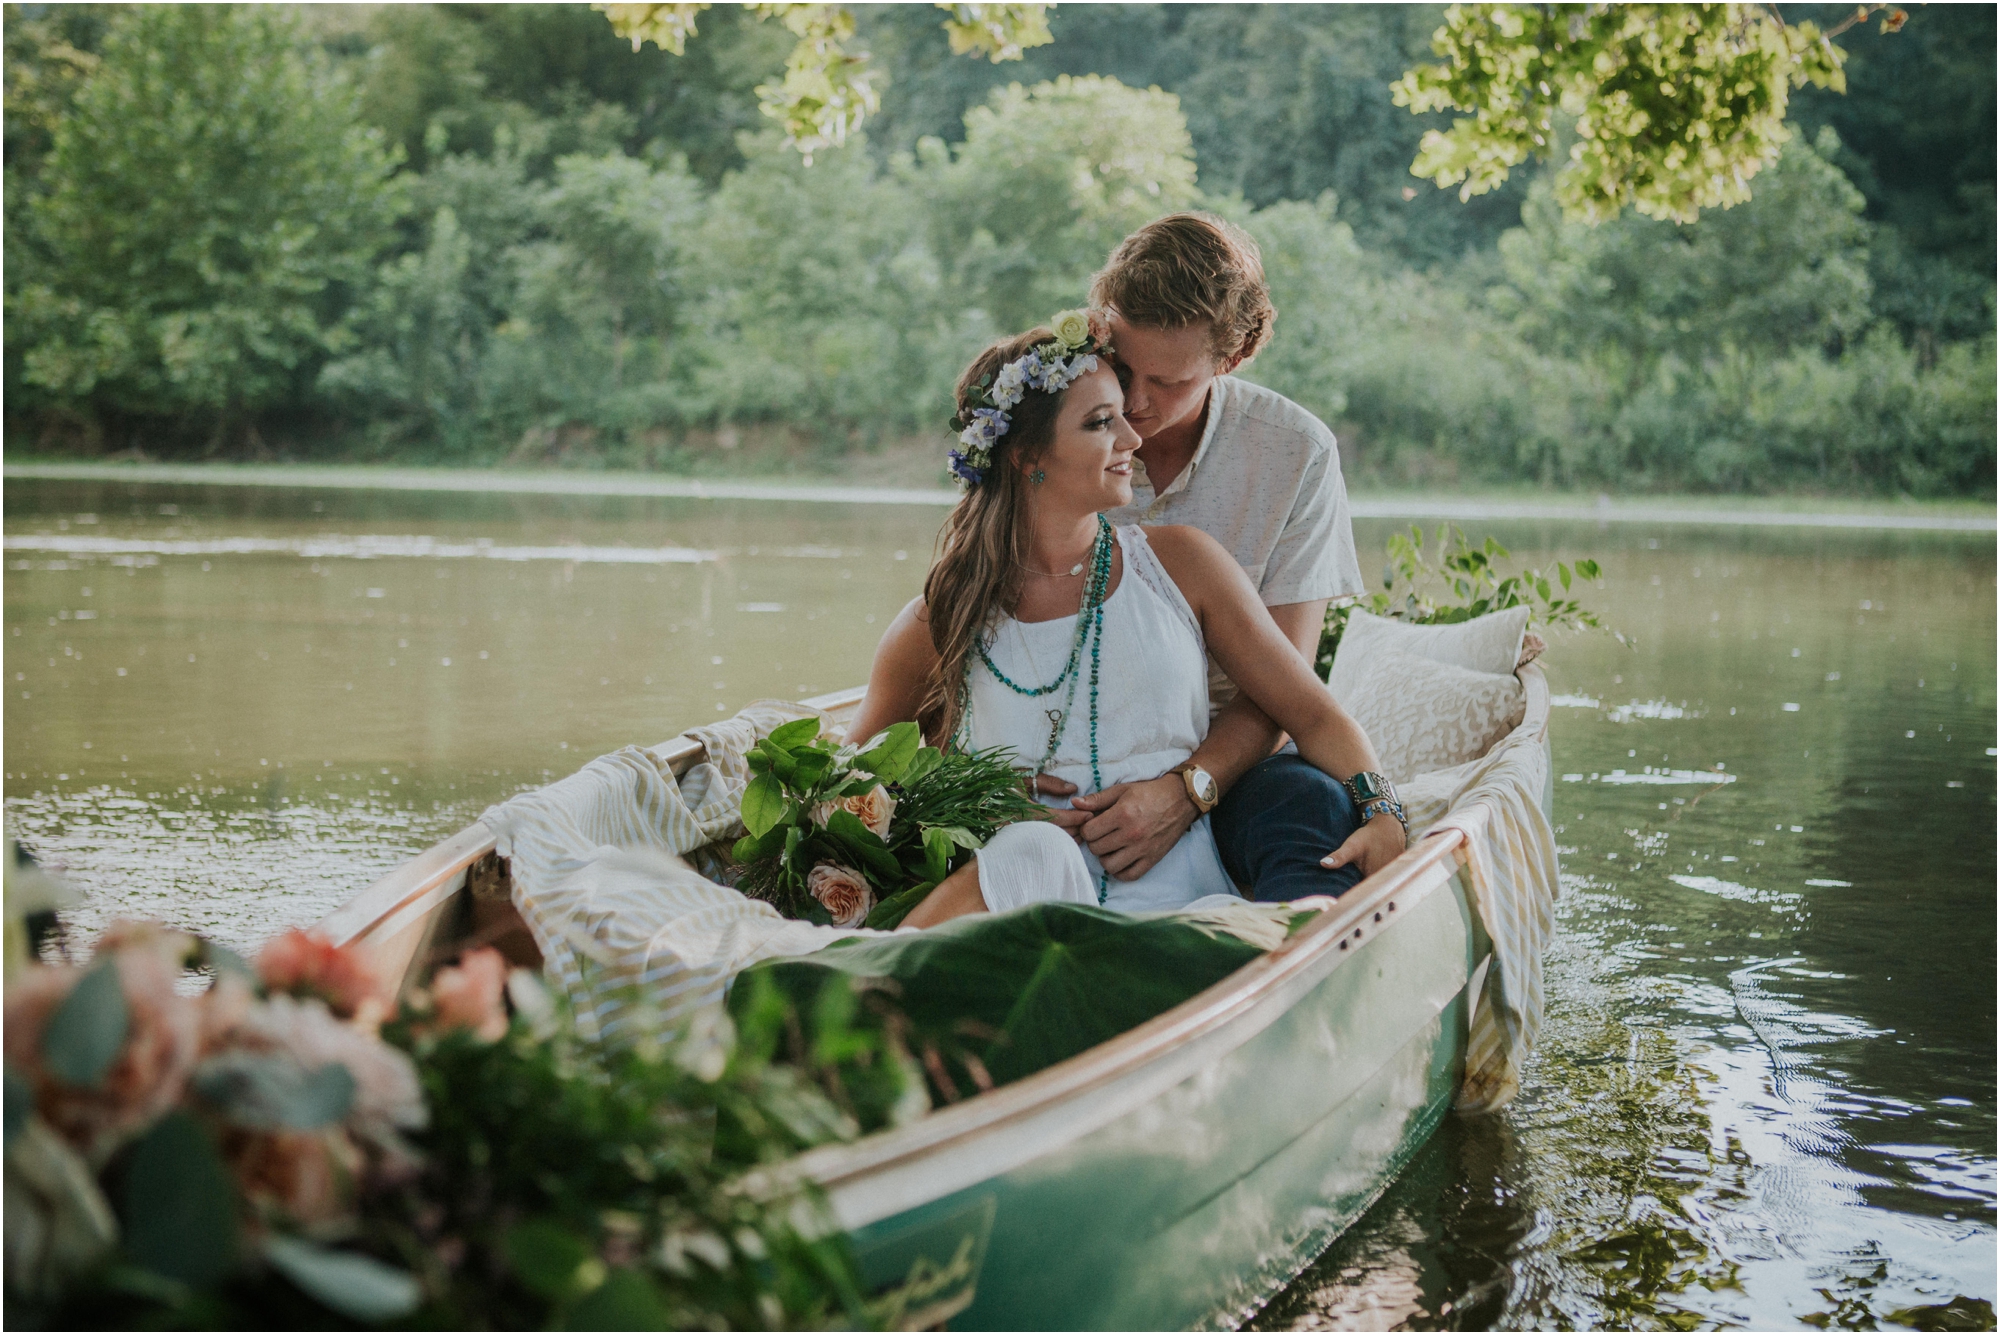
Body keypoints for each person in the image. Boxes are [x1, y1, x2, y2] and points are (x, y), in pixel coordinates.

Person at [843, 316, 1406, 927]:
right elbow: (855, 787)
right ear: (1026, 456)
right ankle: (879, 976)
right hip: (1018, 913)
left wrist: (1383, 812)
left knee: (1302, 809)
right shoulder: (941, 618)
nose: (1132, 439)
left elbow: (1313, 713)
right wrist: (975, 802)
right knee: (1035, 848)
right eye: (1099, 422)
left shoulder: (1181, 565)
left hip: (1181, 910)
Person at [1033, 213, 1374, 903]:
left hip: (1238, 759)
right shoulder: (1061, 433)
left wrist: (1187, 790)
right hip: (1070, 745)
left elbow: (1283, 688)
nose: (1134, 402)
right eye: (1125, 367)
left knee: (1310, 807)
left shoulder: (1294, 453)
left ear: (1235, 353)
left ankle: (1283, 974)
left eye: (1168, 382)